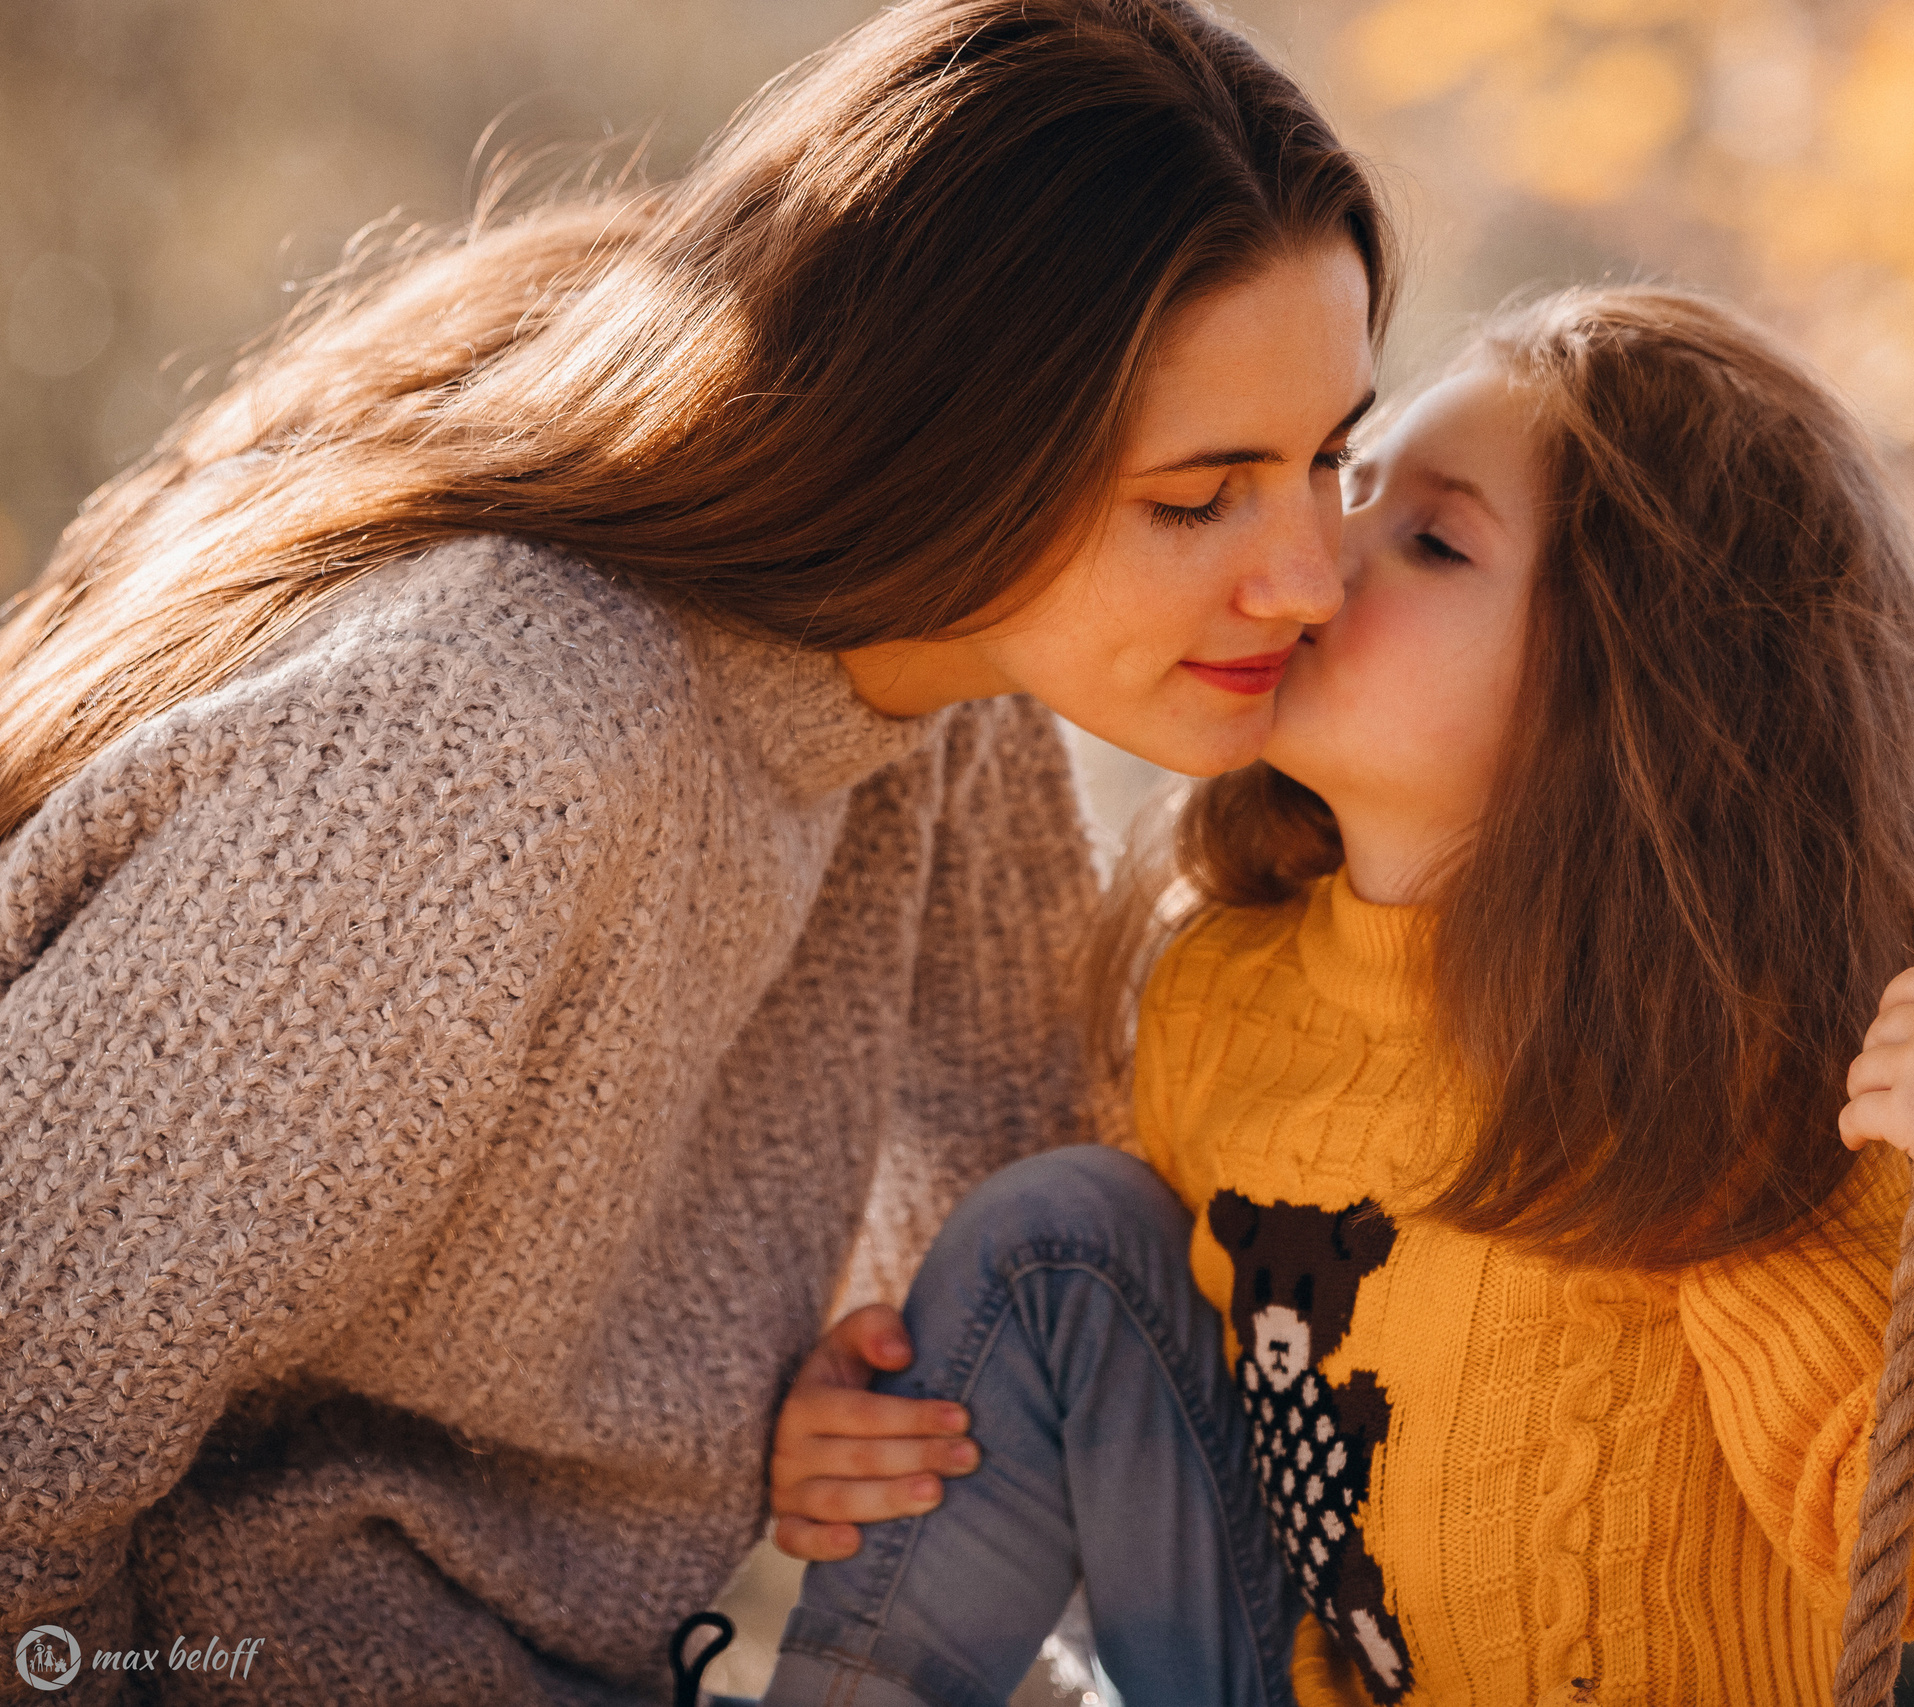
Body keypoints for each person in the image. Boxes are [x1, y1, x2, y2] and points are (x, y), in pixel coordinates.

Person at [0, 1, 1391, 1700]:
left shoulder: (944, 706)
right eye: (1200, 496)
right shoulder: (488, 742)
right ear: (947, 432)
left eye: (1334, 459)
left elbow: (1066, 1285)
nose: (1312, 579)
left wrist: (810, 1395)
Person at [763, 285, 1914, 1705]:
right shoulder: (1223, 991)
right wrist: (888, 1421)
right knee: (1058, 1237)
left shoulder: (1704, 1096)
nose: (1317, 551)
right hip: (1263, 1677)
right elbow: (1111, 1383)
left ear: (1635, 696)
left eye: (1430, 540)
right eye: (1352, 484)